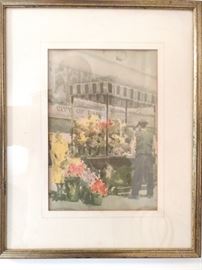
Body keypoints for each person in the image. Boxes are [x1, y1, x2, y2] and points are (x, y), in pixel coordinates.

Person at [130, 120, 155, 199]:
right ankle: (150, 193)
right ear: (146, 126)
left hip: (140, 156)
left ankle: (135, 194)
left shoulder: (136, 134)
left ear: (140, 126)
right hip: (149, 156)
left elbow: (132, 146)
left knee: (138, 174)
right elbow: (154, 147)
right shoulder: (152, 135)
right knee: (150, 174)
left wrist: (133, 154)